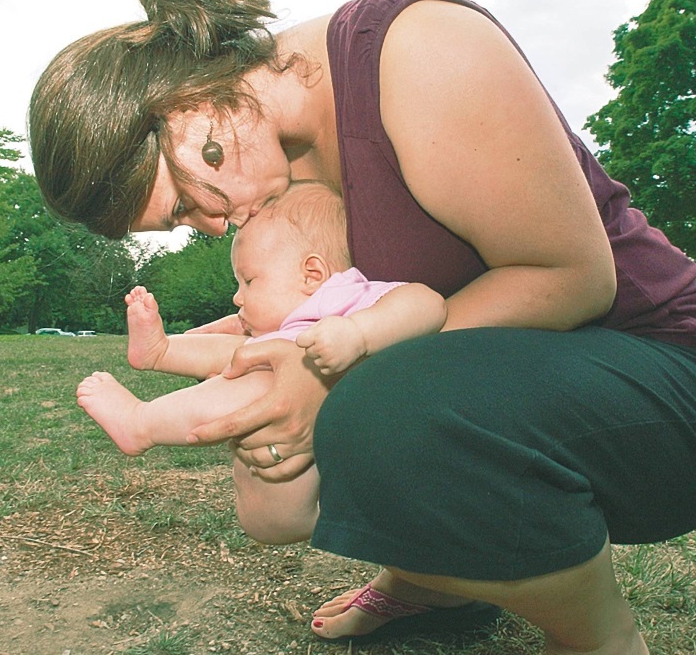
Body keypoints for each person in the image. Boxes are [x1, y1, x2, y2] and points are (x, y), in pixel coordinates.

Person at [29, 0, 696, 652]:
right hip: (524, 383)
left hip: (673, 389)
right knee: (359, 390)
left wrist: (329, 375)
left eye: (184, 205)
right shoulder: (280, 168)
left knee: (379, 403)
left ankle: (598, 635)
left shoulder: (418, 54)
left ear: (186, 109)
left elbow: (573, 277)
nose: (211, 226)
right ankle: (438, 584)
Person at [76, 181, 447, 545]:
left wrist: (358, 333)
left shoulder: (348, 297)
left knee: (254, 380)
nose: (238, 297)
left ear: (312, 274)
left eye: (249, 281)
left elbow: (428, 303)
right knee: (246, 354)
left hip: (314, 464)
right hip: (273, 486)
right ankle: (160, 351)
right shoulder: (283, 325)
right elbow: (228, 349)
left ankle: (140, 423)